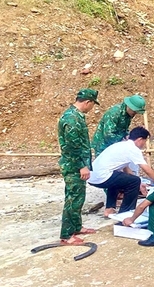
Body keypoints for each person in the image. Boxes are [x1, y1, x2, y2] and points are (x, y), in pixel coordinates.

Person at [88, 126, 154, 217]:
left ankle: (109, 209)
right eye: (145, 141)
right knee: (134, 181)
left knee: (119, 178)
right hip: (101, 177)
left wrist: (140, 183)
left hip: (92, 176)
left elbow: (126, 169)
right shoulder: (133, 149)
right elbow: (147, 170)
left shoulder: (122, 145)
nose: (144, 143)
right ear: (139, 139)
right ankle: (126, 212)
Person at [57, 88, 99, 245]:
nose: (92, 108)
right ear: (88, 102)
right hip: (74, 165)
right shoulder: (73, 119)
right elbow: (72, 146)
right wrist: (82, 166)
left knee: (78, 197)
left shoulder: (75, 116)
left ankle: (76, 226)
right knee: (73, 199)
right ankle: (67, 235)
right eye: (93, 104)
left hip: (75, 164)